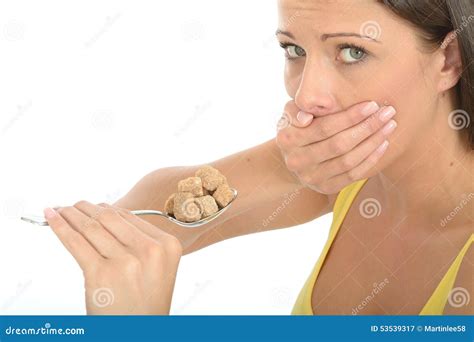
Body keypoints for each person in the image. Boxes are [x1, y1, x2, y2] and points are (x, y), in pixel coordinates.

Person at [44, 0, 473, 315]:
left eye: (352, 52)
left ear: (448, 60)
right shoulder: (349, 178)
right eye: (294, 51)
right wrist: (287, 168)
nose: (306, 95)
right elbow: (143, 224)